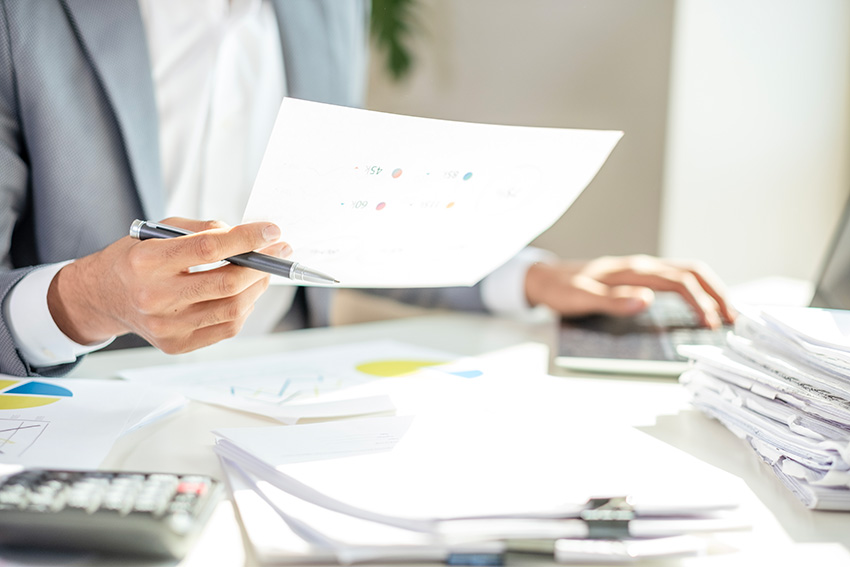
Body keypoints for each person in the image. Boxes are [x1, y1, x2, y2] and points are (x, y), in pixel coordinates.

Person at [0, 0, 733, 378]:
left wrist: (533, 277)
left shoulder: (327, 9)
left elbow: (337, 222)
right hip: (78, 410)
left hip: (286, 394)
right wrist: (89, 300)